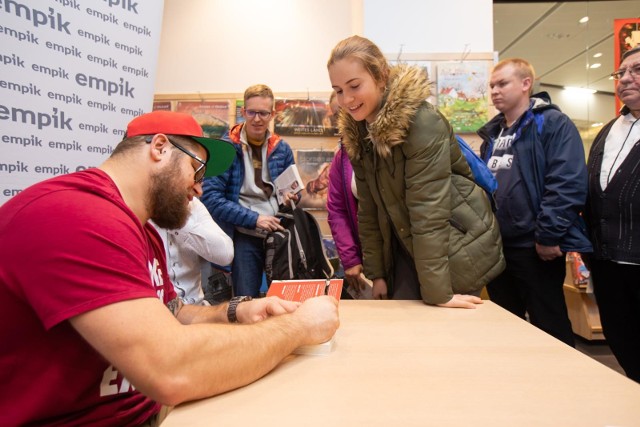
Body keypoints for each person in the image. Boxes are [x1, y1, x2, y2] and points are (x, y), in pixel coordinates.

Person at [0, 110, 340, 426]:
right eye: (197, 170)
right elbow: (172, 369)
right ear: (160, 148)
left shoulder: (141, 228)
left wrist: (238, 310)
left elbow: (172, 312)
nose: (199, 188)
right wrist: (298, 328)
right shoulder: (77, 218)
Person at [327, 35, 505, 308]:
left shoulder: (421, 122)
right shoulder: (359, 132)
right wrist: (378, 274)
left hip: (453, 248)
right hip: (409, 249)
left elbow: (428, 210)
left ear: (381, 76)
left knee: (445, 340)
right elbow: (370, 211)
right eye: (338, 90)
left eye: (354, 86)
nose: (346, 99)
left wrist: (438, 294)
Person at [477, 58, 592, 346]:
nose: (495, 91)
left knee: (548, 324)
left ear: (526, 83)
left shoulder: (552, 123)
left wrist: (548, 234)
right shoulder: (492, 133)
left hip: (535, 246)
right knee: (505, 325)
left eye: (502, 83)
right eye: (492, 85)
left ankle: (563, 385)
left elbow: (566, 182)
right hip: (497, 248)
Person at [201, 84, 298, 297]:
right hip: (244, 234)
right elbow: (211, 198)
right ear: (243, 112)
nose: (257, 119)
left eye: (263, 113)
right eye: (252, 112)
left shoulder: (282, 149)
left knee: (285, 299)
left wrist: (291, 198)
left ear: (272, 114)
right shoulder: (225, 149)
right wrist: (254, 219)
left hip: (278, 234)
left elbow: (292, 192)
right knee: (245, 301)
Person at [585, 45, 640, 382]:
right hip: (607, 263)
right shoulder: (609, 129)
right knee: (623, 343)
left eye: (636, 70)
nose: (625, 79)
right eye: (620, 73)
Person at [326, 91, 369, 298]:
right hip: (364, 254)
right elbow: (337, 210)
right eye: (337, 113)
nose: (342, 117)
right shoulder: (341, 157)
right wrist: (351, 259)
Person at [151, 197, 234, 305]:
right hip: (157, 310)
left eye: (199, 180)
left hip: (196, 305)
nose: (199, 190)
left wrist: (177, 222)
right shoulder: (138, 209)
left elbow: (225, 254)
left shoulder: (192, 203)